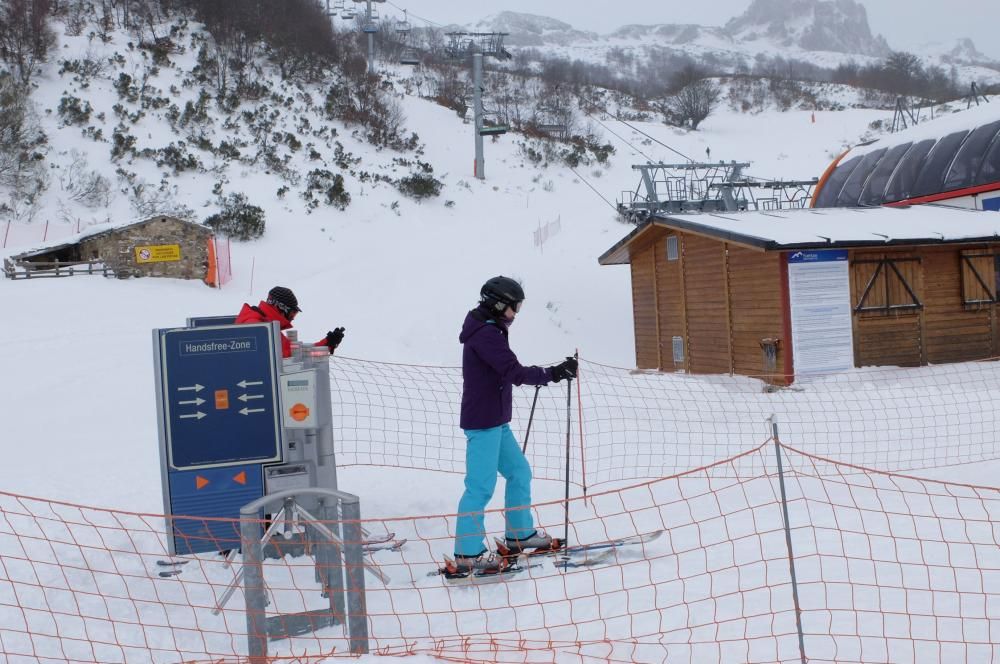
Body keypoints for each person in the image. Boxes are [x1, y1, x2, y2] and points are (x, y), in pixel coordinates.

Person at [449, 276, 578, 575]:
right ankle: (467, 552)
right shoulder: (485, 335)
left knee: (519, 472)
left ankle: (520, 534)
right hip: (483, 423)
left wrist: (550, 374)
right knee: (480, 487)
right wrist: (553, 373)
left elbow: (506, 373)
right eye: (513, 307)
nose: (515, 313)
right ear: (498, 304)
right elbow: (513, 371)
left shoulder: (490, 329)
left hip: (496, 421)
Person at [235, 286, 345, 358]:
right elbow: (292, 356)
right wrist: (324, 347)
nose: (292, 319)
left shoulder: (265, 324)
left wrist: (326, 344)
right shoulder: (257, 326)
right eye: (292, 314)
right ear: (280, 308)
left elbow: (293, 351)